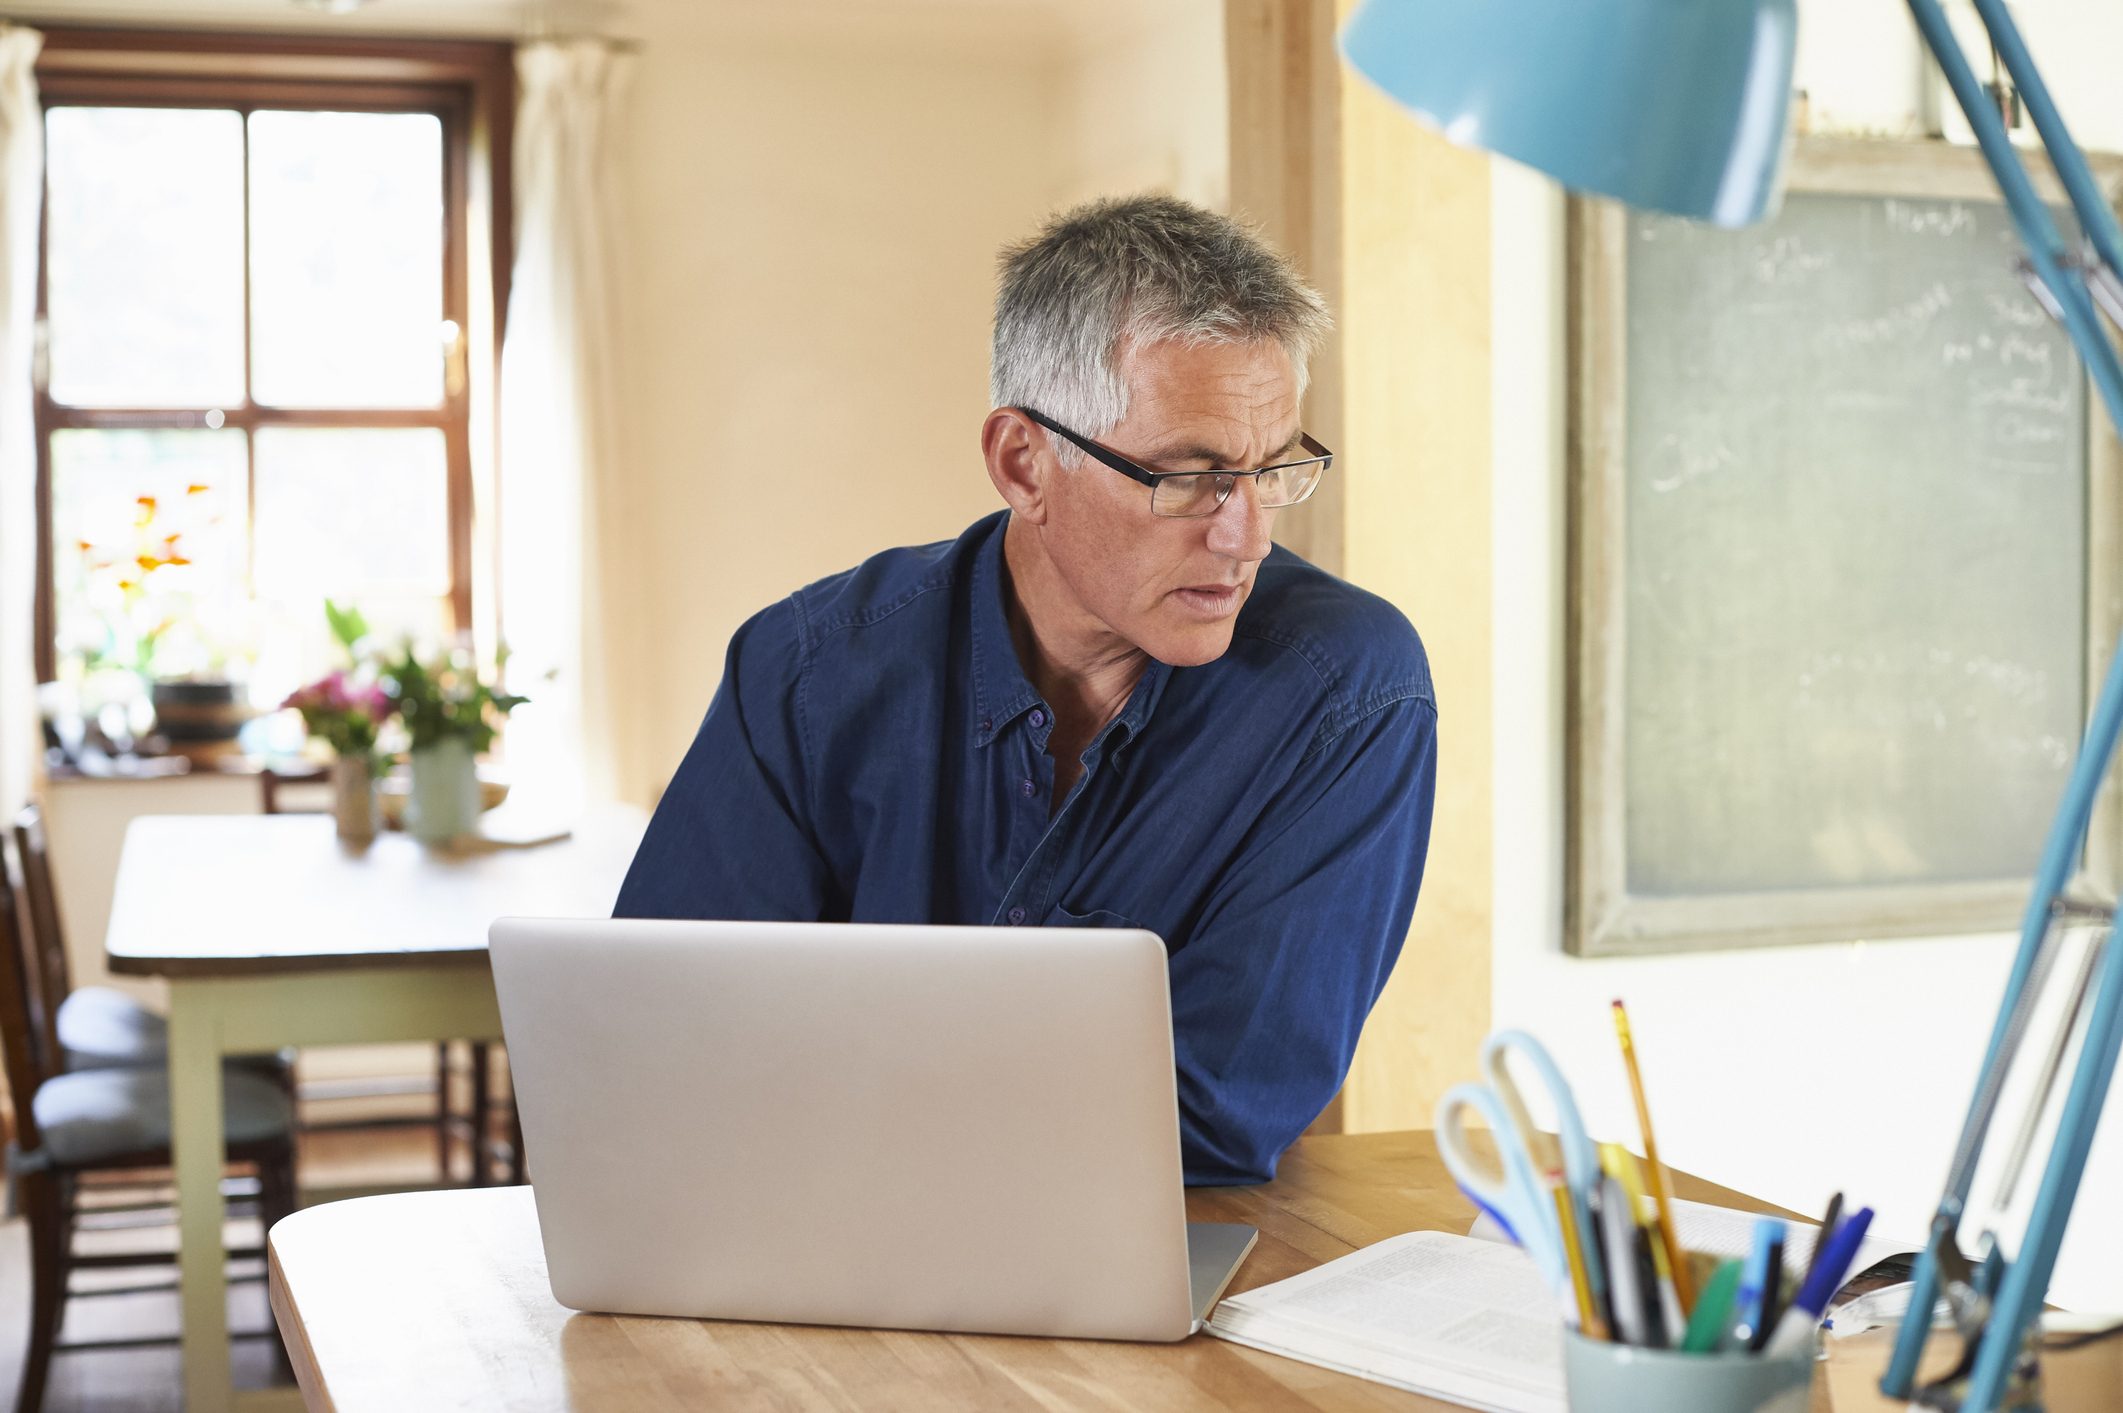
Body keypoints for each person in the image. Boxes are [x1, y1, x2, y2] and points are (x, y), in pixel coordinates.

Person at [617, 194, 1437, 1184]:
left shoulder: (1347, 692)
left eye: (1272, 472)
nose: (1246, 537)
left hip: (1145, 1271)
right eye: (1188, 478)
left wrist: (836, 1092)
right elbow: (663, 1054)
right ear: (1022, 462)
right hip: (806, 1257)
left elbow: (1214, 1114)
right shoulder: (803, 675)